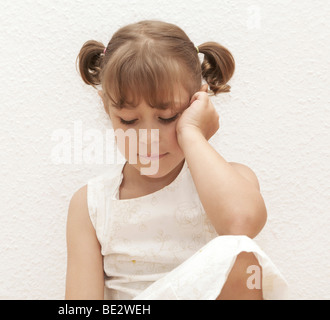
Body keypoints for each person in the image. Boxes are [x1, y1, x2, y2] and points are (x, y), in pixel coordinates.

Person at [65, 20, 288, 300]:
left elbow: (241, 224)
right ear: (106, 107)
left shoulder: (232, 182)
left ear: (198, 104)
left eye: (168, 117)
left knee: (239, 257)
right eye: (129, 120)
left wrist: (192, 134)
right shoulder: (92, 204)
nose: (147, 139)